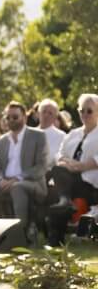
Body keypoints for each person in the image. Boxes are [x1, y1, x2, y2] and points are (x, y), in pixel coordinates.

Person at [0, 102, 48, 238]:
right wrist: (0, 179)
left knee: (17, 187)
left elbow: (41, 166)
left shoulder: (38, 136)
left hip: (31, 183)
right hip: (5, 182)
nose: (11, 120)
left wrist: (18, 178)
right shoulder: (3, 140)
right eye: (8, 117)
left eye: (15, 117)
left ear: (24, 117)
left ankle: (20, 236)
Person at [47, 94, 98, 243]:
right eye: (82, 110)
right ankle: (55, 240)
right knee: (57, 171)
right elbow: (59, 156)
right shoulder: (73, 134)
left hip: (90, 182)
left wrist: (81, 166)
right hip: (69, 179)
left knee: (59, 180)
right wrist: (69, 164)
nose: (84, 114)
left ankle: (65, 199)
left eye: (89, 111)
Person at [36, 98, 65, 165]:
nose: (46, 115)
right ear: (38, 113)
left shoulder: (61, 136)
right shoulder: (28, 133)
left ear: (55, 117)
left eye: (50, 113)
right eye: (44, 111)